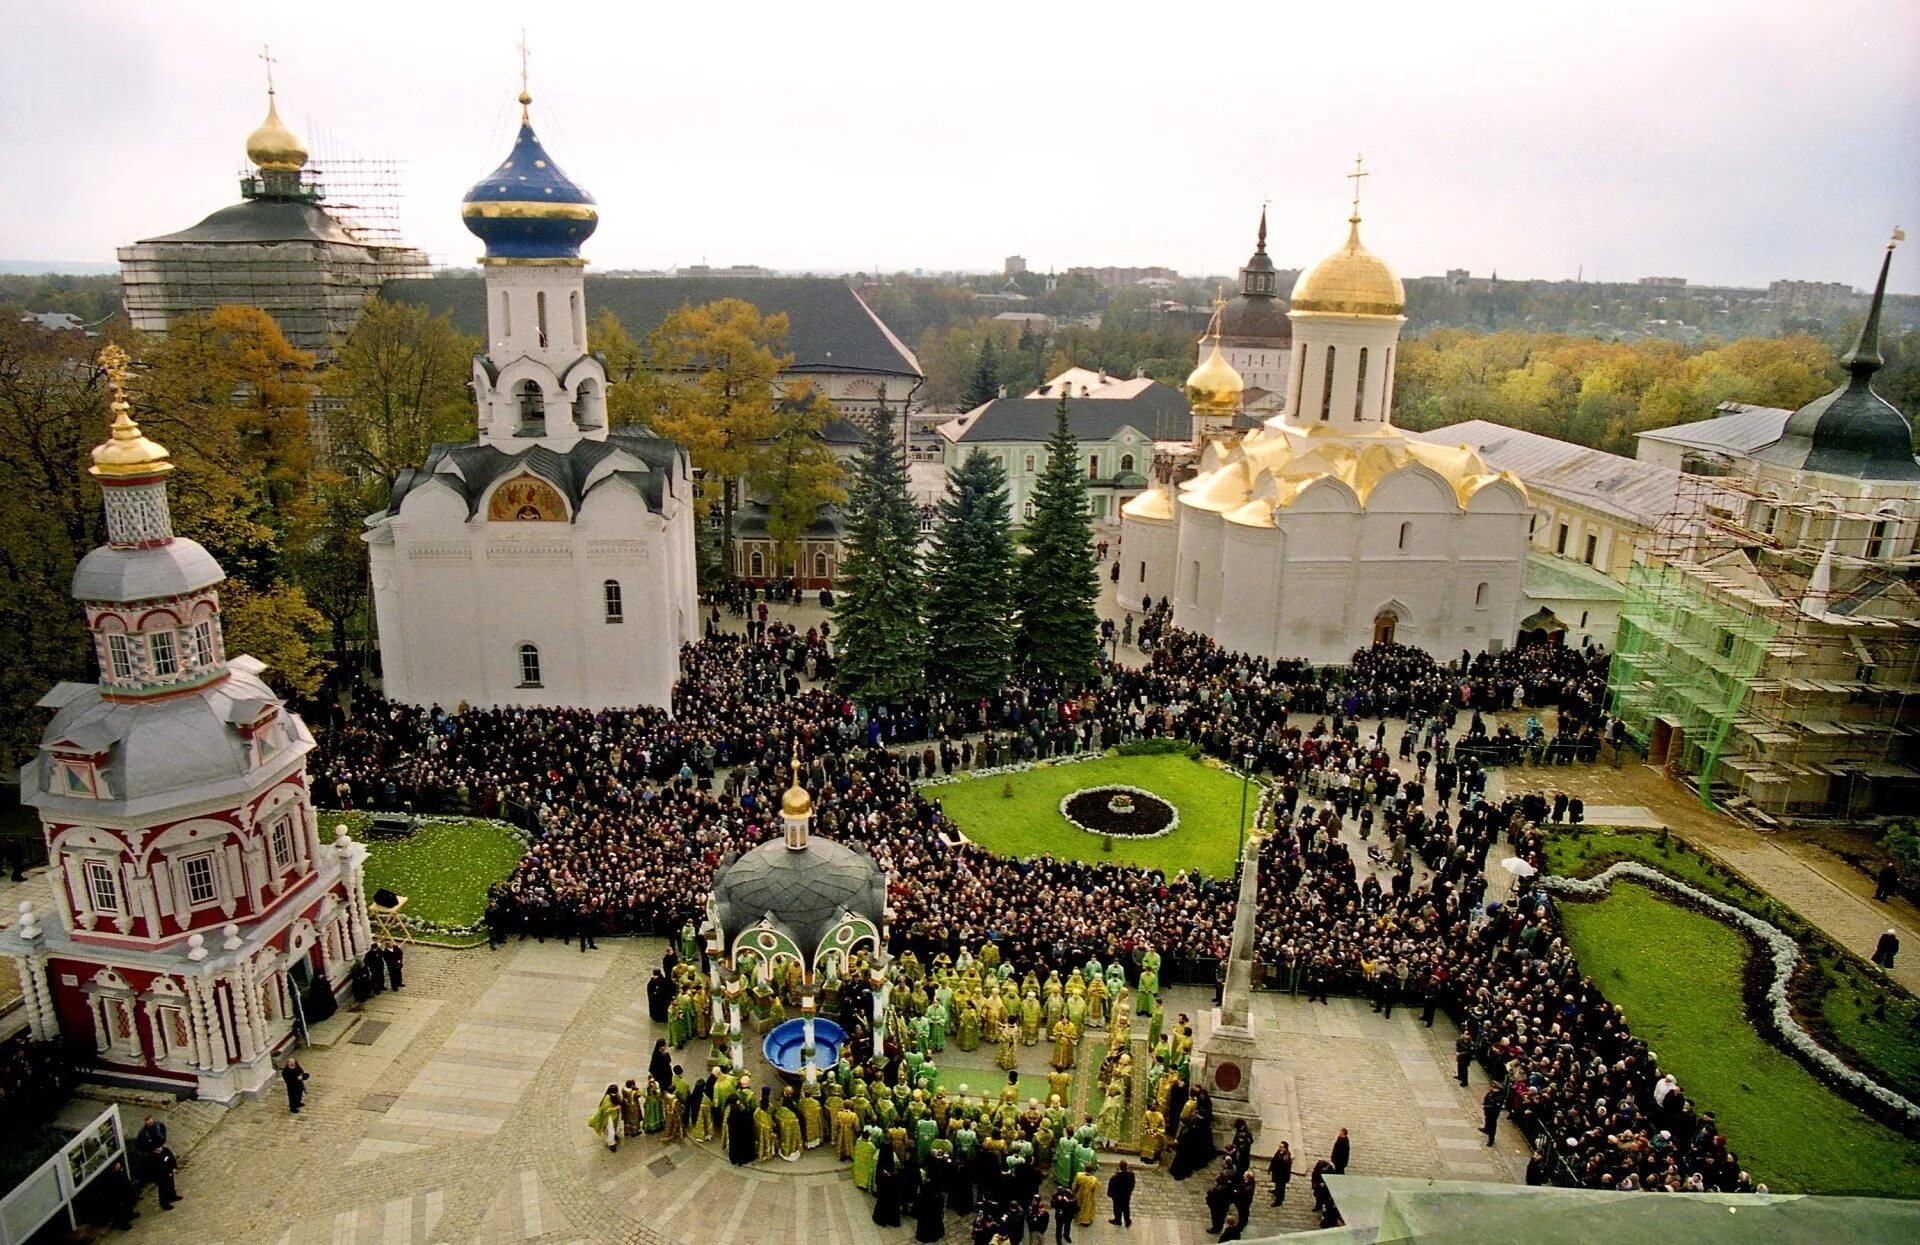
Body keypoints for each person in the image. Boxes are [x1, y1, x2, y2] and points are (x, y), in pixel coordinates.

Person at [590, 1084, 622, 1151]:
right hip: (609, 1117)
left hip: (615, 1115)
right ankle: (611, 1143)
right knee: (611, 1130)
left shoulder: (616, 1095)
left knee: (615, 1127)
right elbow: (606, 1110)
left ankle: (614, 1136)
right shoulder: (607, 1099)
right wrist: (615, 1108)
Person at [152, 1143, 180, 1210]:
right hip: (162, 1176)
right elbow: (154, 1169)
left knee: (171, 1184)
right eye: (158, 1147)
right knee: (163, 1189)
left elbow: (171, 1158)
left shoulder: (165, 1150)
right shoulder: (152, 1157)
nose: (160, 1148)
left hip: (169, 1172)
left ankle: (172, 1196)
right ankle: (164, 1204)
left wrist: (173, 1167)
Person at [1268, 1140, 1292, 1206]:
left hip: (1281, 1176)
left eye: (1281, 1147)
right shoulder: (1280, 1152)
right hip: (1277, 1172)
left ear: (1285, 1148)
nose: (1279, 1148)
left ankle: (1279, 1201)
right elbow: (1274, 1160)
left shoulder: (1285, 1158)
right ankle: (1276, 1191)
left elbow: (1285, 1170)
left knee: (1281, 1188)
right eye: (1279, 1146)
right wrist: (1270, 1168)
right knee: (1277, 1185)